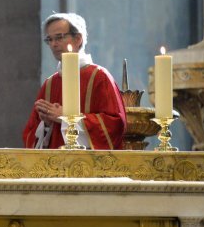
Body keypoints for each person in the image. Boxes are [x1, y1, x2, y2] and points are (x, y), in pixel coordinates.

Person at [22, 12, 126, 150]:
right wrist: (46, 124)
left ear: (78, 39)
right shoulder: (50, 84)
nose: (53, 44)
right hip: (55, 166)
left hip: (90, 167)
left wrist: (67, 117)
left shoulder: (99, 77)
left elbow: (115, 126)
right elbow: (30, 135)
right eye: (49, 39)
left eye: (59, 37)